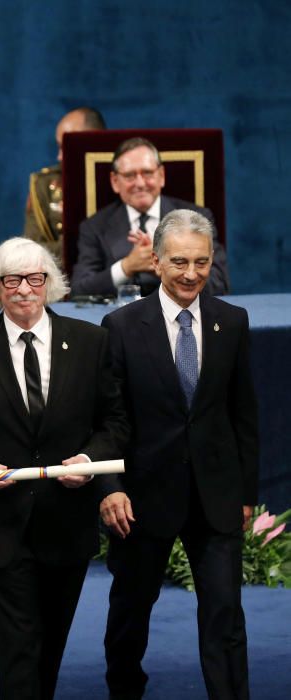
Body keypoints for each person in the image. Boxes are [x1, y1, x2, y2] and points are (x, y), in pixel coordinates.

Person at [0, 237, 128, 700]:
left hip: (68, 522)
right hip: (1, 525)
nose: (24, 289)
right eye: (12, 280)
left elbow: (115, 422)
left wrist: (90, 460)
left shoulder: (89, 342)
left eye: (34, 278)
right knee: (19, 642)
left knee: (50, 642)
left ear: (50, 283)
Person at [98, 209, 258, 699]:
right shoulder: (121, 326)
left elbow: (243, 414)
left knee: (225, 616)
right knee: (130, 614)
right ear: (157, 262)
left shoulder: (232, 322)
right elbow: (106, 419)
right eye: (180, 261)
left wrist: (246, 493)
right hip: (143, 500)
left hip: (215, 496)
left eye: (202, 262)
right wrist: (111, 488)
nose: (192, 274)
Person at [71, 137, 230, 298]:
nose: (140, 183)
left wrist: (165, 269)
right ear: (115, 181)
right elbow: (79, 290)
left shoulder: (198, 218)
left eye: (147, 173)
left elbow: (219, 284)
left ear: (161, 175)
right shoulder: (94, 226)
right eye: (129, 176)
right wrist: (126, 267)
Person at [22, 107, 106, 262]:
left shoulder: (125, 179)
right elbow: (31, 251)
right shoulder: (43, 184)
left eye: (66, 147)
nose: (59, 156)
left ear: (94, 141)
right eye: (58, 147)